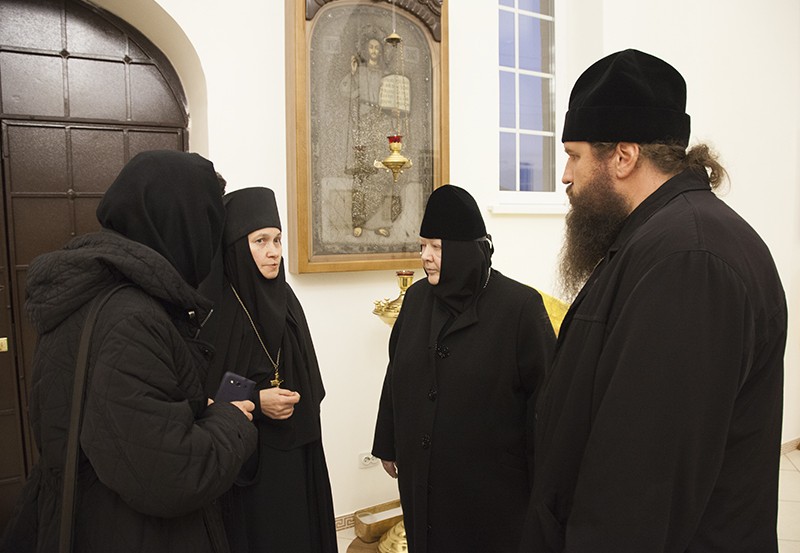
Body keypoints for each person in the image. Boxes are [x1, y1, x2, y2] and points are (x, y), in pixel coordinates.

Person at [520, 49, 787, 552]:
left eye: (574, 155)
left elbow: (640, 486)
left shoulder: (689, 260)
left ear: (623, 157)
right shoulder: (665, 238)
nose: (566, 175)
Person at [1, 150, 258, 553]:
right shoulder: (132, 318)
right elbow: (171, 475)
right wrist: (231, 418)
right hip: (130, 533)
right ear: (182, 225)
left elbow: (124, 429)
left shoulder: (94, 293)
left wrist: (192, 411)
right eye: (209, 225)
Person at [372, 185, 557, 553]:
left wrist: (544, 485)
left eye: (436, 247)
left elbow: (546, 402)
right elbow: (397, 374)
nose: (425, 257)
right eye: (422, 246)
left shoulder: (519, 307)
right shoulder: (417, 299)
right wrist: (388, 443)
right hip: (423, 476)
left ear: (464, 249)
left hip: (492, 487)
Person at [201, 187, 337, 553]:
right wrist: (258, 401)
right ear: (235, 246)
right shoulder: (217, 310)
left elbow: (310, 375)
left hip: (297, 451)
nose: (274, 251)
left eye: (277, 239)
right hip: (246, 464)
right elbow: (201, 393)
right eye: (260, 241)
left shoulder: (286, 299)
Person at [341, 30, 402, 238]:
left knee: (384, 170)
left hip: (382, 122)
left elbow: (393, 99)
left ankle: (381, 223)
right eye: (371, 47)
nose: (374, 51)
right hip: (365, 122)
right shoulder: (361, 71)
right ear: (366, 50)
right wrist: (352, 73)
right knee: (362, 172)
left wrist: (395, 110)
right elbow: (346, 92)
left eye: (377, 48)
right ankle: (358, 221)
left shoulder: (386, 74)